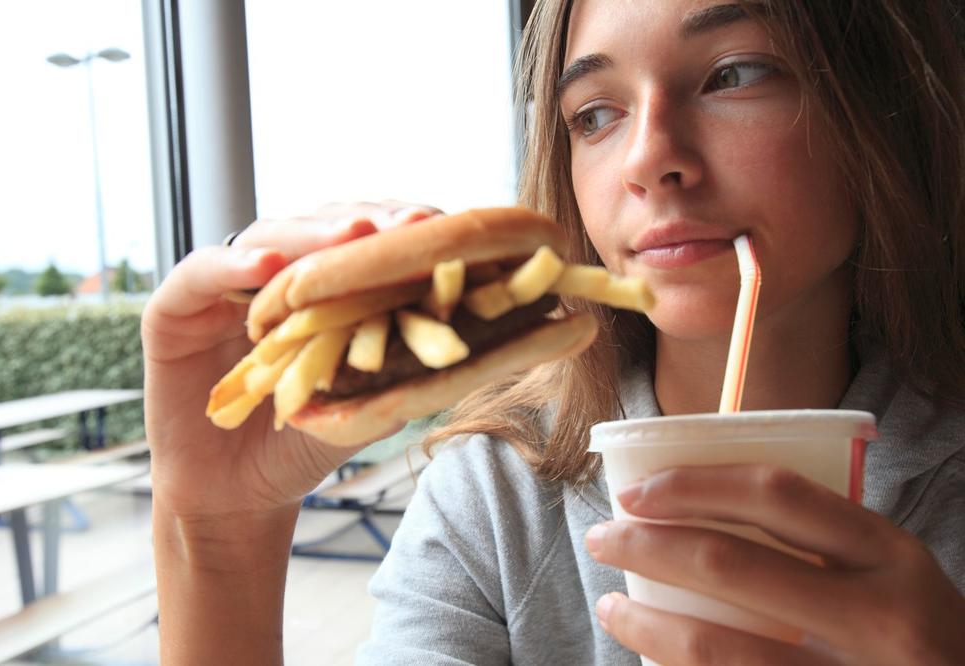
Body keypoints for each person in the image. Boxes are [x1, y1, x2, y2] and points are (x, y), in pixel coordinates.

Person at [141, 0, 965, 663]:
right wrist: (217, 536)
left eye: (733, 74)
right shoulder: (496, 496)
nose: (648, 157)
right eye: (596, 114)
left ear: (876, 112)